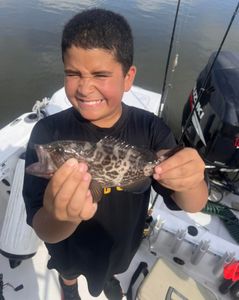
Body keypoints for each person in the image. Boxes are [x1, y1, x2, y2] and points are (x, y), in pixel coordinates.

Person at [23, 8, 208, 300]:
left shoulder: (152, 130)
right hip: (69, 246)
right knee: (68, 268)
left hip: (120, 245)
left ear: (127, 77)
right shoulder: (47, 132)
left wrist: (193, 179)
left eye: (101, 74)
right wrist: (63, 216)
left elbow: (193, 203)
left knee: (113, 269)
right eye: (73, 73)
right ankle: (69, 285)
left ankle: (109, 280)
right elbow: (45, 229)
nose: (85, 87)